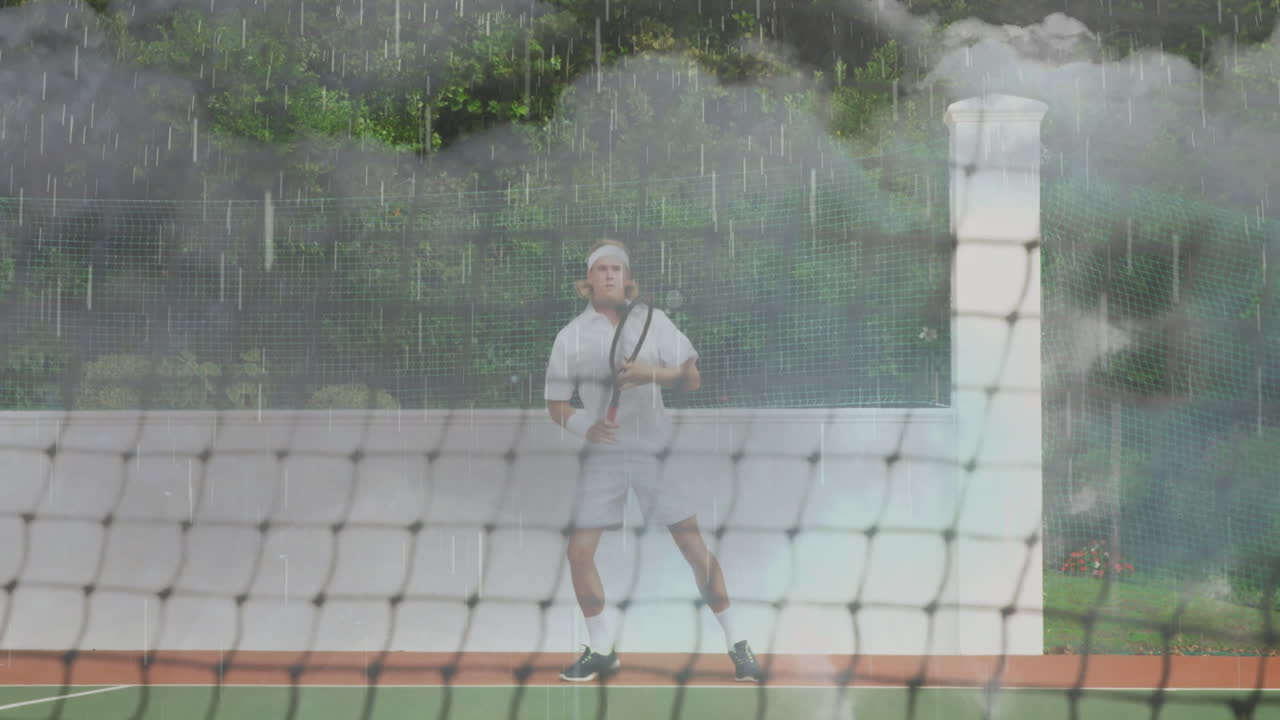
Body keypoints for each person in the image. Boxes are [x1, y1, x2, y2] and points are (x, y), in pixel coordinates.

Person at [543, 238, 762, 683]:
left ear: (627, 279)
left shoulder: (654, 322)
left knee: (692, 548)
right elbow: (556, 403)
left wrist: (650, 374)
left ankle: (738, 644)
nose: (608, 275)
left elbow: (693, 378)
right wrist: (587, 426)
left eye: (616, 269)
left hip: (656, 452)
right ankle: (601, 649)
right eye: (600, 269)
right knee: (578, 552)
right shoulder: (570, 336)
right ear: (588, 281)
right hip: (603, 457)